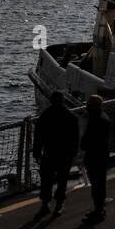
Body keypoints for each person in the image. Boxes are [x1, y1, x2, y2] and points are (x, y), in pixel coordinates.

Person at [32, 91, 79, 220]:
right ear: (62, 100)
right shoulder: (70, 116)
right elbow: (75, 138)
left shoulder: (45, 116)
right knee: (62, 179)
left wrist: (36, 152)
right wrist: (73, 153)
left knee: (46, 180)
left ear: (51, 100)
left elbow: (38, 137)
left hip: (49, 153)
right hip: (65, 154)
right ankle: (59, 203)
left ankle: (45, 204)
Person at [80, 94, 111, 225]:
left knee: (97, 185)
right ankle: (99, 209)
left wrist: (84, 144)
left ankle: (98, 212)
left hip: (95, 156)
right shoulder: (104, 117)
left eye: (88, 104)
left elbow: (87, 140)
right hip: (102, 155)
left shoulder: (96, 120)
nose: (86, 106)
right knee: (100, 184)